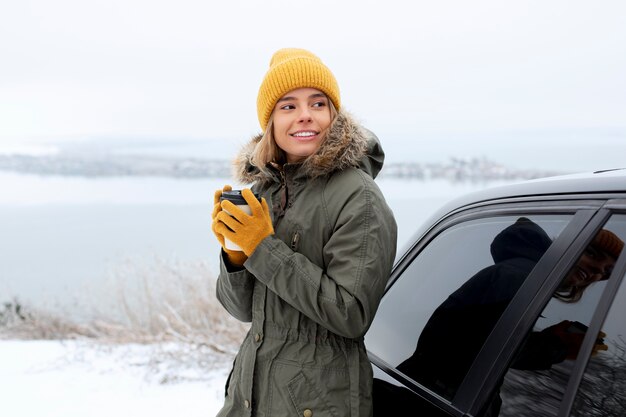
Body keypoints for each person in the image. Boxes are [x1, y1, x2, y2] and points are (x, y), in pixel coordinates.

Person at [211, 48, 398, 417]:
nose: (305, 116)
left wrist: (261, 247)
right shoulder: (264, 190)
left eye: (317, 103)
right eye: (288, 106)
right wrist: (236, 254)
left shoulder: (357, 196)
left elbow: (350, 314)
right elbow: (241, 310)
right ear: (271, 121)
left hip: (317, 402)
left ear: (333, 114)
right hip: (251, 396)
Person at [394, 217, 622, 415]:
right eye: (593, 254)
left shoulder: (525, 276)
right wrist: (558, 345)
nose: (597, 270)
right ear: (571, 245)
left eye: (606, 272)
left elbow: (477, 337)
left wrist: (550, 338)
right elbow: (489, 349)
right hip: (427, 401)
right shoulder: (519, 277)